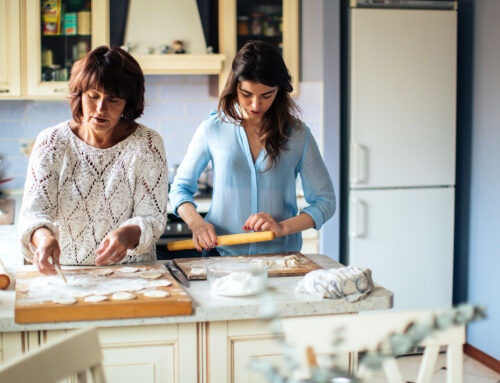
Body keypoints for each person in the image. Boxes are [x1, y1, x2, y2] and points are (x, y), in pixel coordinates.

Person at [169, 40, 335, 256]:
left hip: (280, 260)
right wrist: (197, 224)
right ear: (234, 87)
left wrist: (283, 227)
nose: (256, 105)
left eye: (267, 95)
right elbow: (179, 189)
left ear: (280, 91)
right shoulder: (212, 128)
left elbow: (325, 202)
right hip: (222, 258)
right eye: (247, 94)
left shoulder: (298, 134)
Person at [18, 46, 168, 275]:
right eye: (93, 96)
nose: (100, 109)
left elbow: (153, 218)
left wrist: (127, 234)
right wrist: (44, 238)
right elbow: (34, 214)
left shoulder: (147, 144)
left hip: (132, 274)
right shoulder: (52, 143)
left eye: (113, 99)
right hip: (67, 275)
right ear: (80, 95)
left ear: (127, 102)